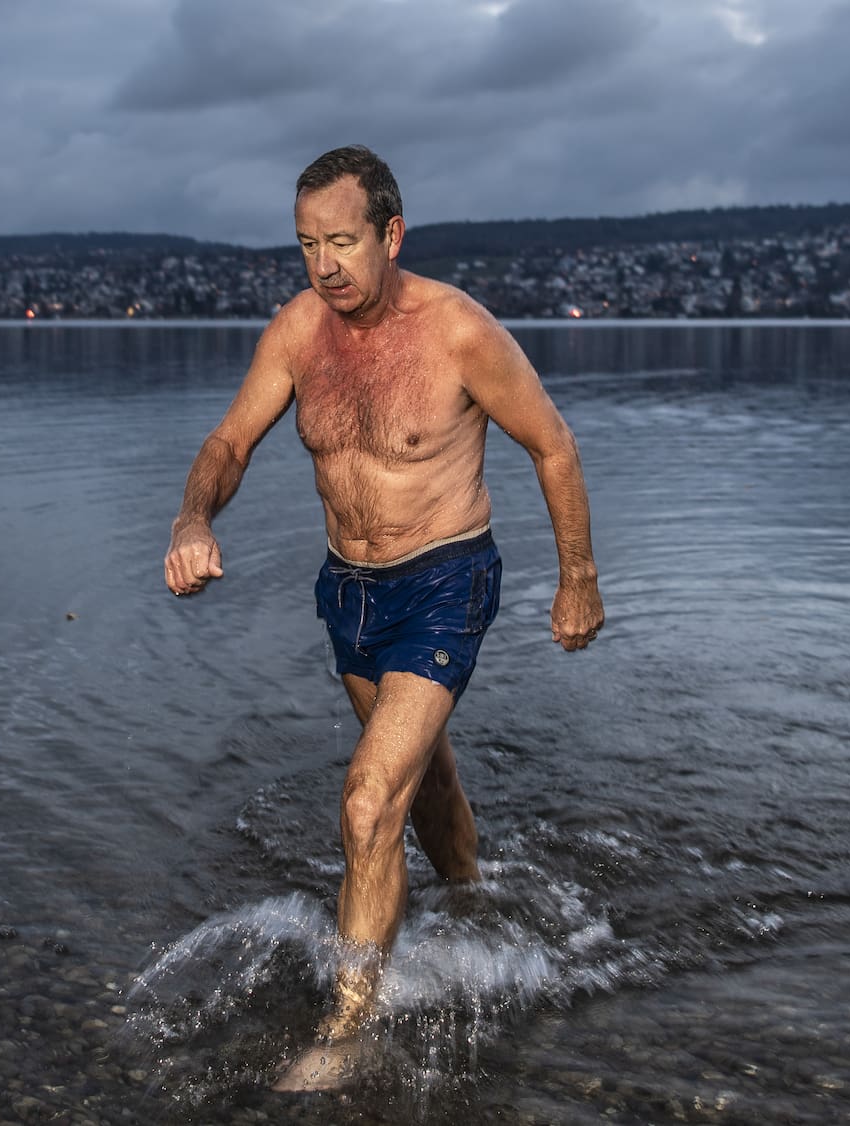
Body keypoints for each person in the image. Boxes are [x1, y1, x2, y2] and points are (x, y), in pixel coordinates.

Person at [162, 144, 604, 1091]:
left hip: (446, 580)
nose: (325, 265)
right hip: (348, 593)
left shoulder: (460, 333)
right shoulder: (298, 332)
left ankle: (348, 1027)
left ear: (391, 234)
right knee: (421, 785)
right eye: (307, 244)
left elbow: (553, 446)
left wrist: (579, 579)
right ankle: (476, 903)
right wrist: (194, 515)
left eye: (344, 242)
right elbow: (230, 441)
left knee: (367, 806)